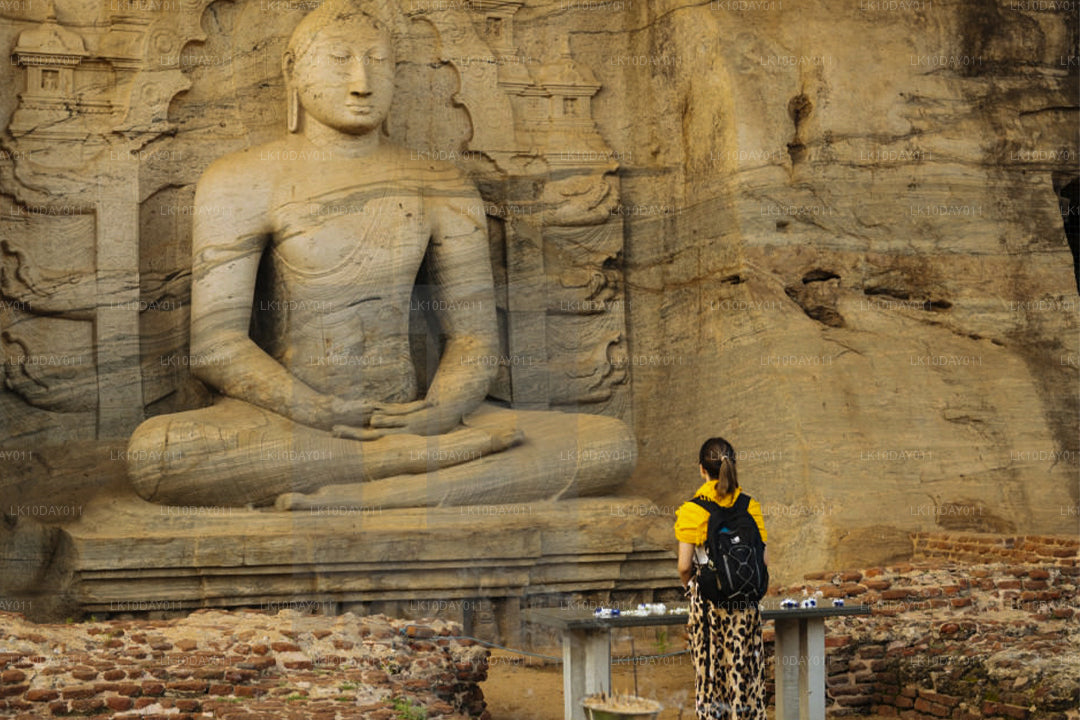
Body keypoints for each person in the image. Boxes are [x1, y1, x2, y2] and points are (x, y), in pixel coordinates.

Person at [123, 0, 636, 509]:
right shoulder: (241, 180)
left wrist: (441, 410)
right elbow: (216, 346)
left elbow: (474, 339)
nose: (362, 82)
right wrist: (314, 410)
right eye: (339, 59)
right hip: (286, 422)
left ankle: (385, 481)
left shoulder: (440, 183)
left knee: (608, 445)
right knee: (157, 455)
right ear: (293, 70)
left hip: (413, 419)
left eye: (379, 61)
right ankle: (406, 467)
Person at [674, 438, 769, 720]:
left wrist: (691, 588)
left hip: (709, 608)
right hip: (745, 608)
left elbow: (683, 566)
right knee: (745, 679)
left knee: (712, 680)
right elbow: (763, 561)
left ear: (702, 469)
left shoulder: (693, 510)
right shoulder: (750, 506)